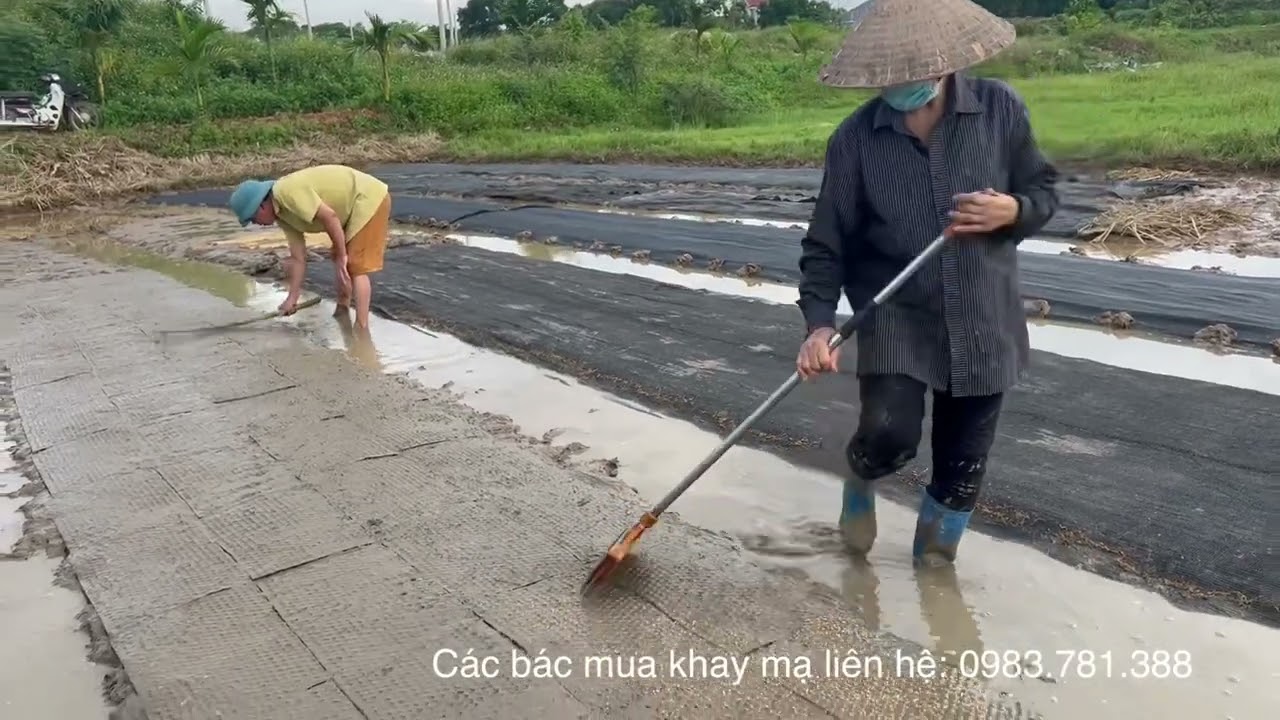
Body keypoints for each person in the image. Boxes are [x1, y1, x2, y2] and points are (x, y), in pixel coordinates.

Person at [794, 0, 1059, 566]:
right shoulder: (856, 139)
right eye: (884, 75)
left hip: (984, 316)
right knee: (887, 434)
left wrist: (1012, 210)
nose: (896, 84)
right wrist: (819, 325)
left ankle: (936, 585)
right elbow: (826, 243)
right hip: (896, 316)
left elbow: (1044, 192)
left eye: (906, 73)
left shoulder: (999, 110)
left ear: (941, 63)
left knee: (962, 466)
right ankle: (861, 481)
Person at [228, 164, 392, 329]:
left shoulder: (287, 192)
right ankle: (342, 311)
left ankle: (361, 328)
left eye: (253, 219)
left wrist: (343, 256)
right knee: (340, 260)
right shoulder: (283, 216)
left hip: (368, 198)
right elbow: (298, 257)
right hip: (348, 210)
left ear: (261, 206)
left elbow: (330, 217)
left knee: (355, 265)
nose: (256, 224)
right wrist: (292, 298)